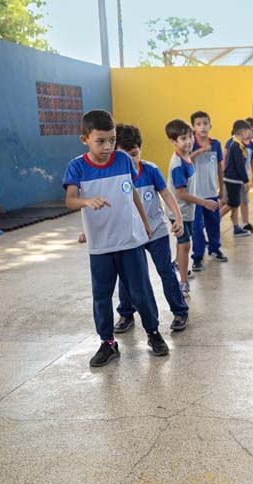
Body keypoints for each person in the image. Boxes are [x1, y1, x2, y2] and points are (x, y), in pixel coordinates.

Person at [63, 110, 168, 367]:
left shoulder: (122, 159)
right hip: (100, 247)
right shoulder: (77, 166)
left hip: (130, 241)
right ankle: (108, 343)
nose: (108, 146)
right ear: (84, 139)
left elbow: (131, 191)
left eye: (111, 140)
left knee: (140, 292)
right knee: (102, 295)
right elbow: (69, 200)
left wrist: (144, 223)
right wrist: (86, 201)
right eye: (100, 141)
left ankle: (153, 334)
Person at [110, 124, 189, 334]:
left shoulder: (151, 170)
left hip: (156, 232)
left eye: (134, 154)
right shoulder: (114, 178)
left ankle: (180, 310)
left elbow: (166, 194)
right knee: (127, 276)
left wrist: (178, 218)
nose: (130, 160)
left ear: (140, 150)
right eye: (124, 155)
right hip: (130, 235)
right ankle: (126, 314)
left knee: (166, 272)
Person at [166, 119, 220, 298]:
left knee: (183, 244)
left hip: (188, 210)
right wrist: (204, 202)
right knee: (185, 244)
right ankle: (183, 281)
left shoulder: (187, 156)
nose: (188, 141)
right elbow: (181, 194)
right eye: (183, 138)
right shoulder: (177, 165)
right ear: (173, 142)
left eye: (189, 137)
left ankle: (178, 264)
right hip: (179, 211)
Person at [189, 111, 227, 272]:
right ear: (193, 127)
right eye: (198, 124)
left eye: (205, 123)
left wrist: (221, 188)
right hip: (196, 195)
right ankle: (197, 256)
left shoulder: (216, 144)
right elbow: (186, 159)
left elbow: (219, 167)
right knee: (197, 227)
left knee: (214, 222)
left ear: (210, 125)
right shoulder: (190, 144)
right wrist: (199, 151)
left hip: (211, 191)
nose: (202, 127)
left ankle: (214, 248)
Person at [224, 119, 253, 237]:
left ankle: (236, 227)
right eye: (248, 131)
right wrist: (246, 181)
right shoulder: (236, 146)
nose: (249, 134)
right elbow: (239, 165)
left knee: (235, 204)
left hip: (235, 180)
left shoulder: (238, 145)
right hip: (233, 179)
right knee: (231, 204)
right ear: (242, 132)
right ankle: (215, 220)